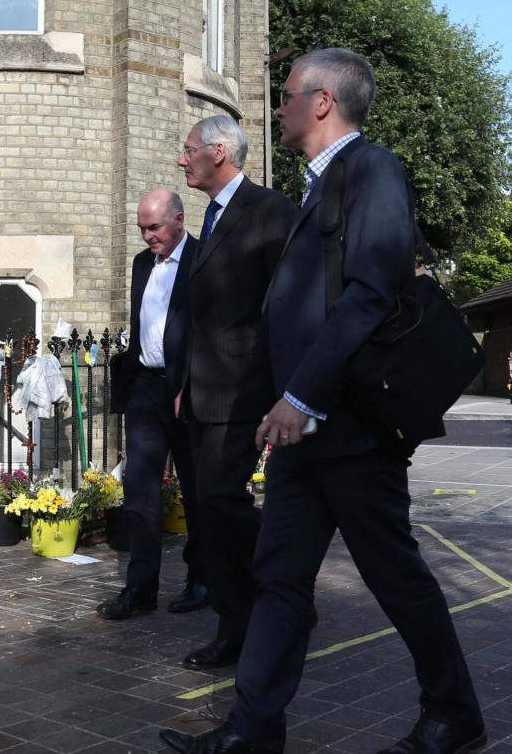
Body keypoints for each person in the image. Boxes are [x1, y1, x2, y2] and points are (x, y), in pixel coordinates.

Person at [161, 48, 484, 754]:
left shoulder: (373, 170)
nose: (276, 107)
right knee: (278, 578)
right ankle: (252, 729)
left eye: (285, 95)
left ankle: (454, 711)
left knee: (395, 577)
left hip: (351, 430)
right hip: (305, 435)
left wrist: (301, 395)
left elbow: (371, 291)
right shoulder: (320, 185)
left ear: (322, 102)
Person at [173, 116, 296, 668]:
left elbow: (287, 306)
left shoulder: (270, 211)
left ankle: (256, 620)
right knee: (210, 509)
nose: (183, 160)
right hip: (205, 394)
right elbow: (206, 318)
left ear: (219, 152)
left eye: (190, 150)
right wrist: (185, 384)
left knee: (224, 506)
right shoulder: (213, 214)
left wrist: (284, 394)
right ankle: (244, 618)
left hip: (246, 391)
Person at [97, 190, 204, 620]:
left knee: (197, 489)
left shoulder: (203, 257)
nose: (147, 236)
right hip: (145, 387)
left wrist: (193, 382)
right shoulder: (143, 264)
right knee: (140, 488)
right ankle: (140, 589)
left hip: (189, 390)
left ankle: (202, 580)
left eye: (155, 227)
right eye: (142, 228)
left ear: (179, 219)